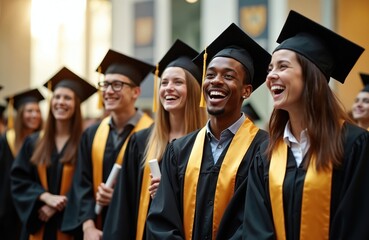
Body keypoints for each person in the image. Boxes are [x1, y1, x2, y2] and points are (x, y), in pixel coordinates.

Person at [243, 10, 369, 239]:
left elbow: (357, 224)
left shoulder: (354, 144)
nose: (270, 76)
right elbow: (256, 226)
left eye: (282, 67)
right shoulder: (266, 155)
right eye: (270, 68)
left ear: (311, 75)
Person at [146, 23, 270, 240]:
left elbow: (257, 223)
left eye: (228, 76)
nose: (216, 81)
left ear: (246, 90)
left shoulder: (265, 149)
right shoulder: (179, 150)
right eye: (210, 75)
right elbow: (161, 222)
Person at [103, 39, 208, 240]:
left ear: (195, 91)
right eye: (164, 82)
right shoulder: (141, 142)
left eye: (178, 82)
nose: (168, 88)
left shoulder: (206, 144)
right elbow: (123, 210)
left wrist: (169, 194)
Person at [61, 49, 155, 240]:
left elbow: (157, 193)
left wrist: (119, 198)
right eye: (105, 84)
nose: (108, 91)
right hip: (95, 229)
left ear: (135, 92)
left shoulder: (154, 136)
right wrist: (87, 226)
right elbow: (81, 184)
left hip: (133, 230)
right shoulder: (92, 134)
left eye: (117, 85)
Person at [10, 67, 96, 240]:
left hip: (72, 226)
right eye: (57, 97)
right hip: (38, 222)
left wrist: (58, 204)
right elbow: (19, 179)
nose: (61, 102)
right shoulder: (34, 142)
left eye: (67, 98)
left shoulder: (86, 142)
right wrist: (45, 198)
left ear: (76, 104)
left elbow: (87, 184)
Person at [0, 88, 44, 240]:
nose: (34, 115)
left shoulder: (44, 142)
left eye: (38, 111)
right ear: (20, 114)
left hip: (32, 206)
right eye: (29, 111)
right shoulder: (6, 140)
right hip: (7, 208)